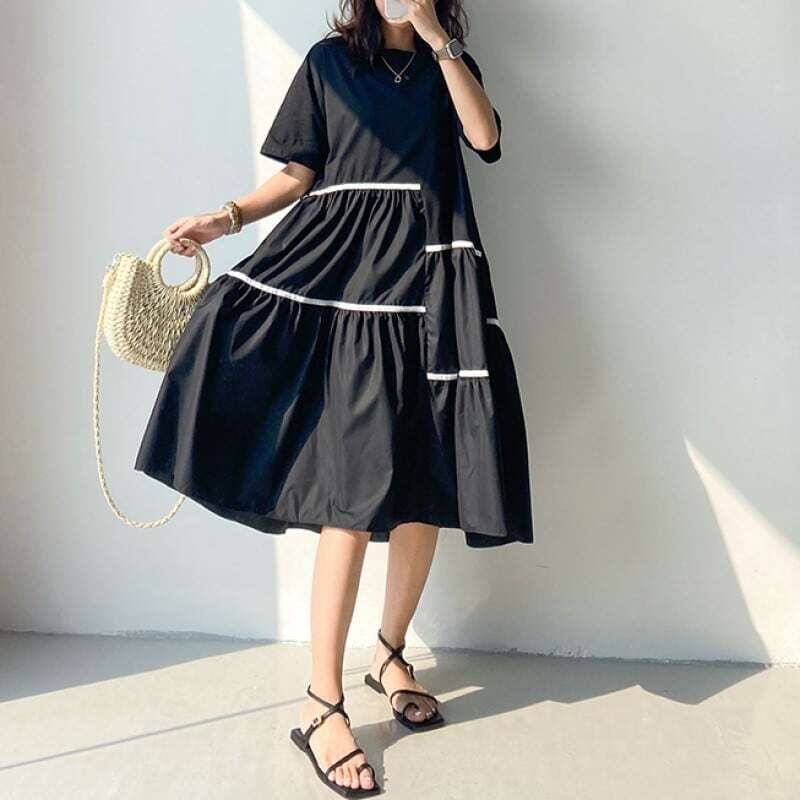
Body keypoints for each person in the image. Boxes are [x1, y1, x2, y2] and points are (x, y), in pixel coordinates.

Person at [134, 0, 534, 794]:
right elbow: (298, 175)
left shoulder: (447, 62)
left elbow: (485, 139)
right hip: (342, 281)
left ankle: (389, 654)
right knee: (349, 497)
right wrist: (225, 218)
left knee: (424, 486)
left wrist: (437, 40)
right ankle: (322, 703)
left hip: (431, 288)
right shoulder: (329, 63)